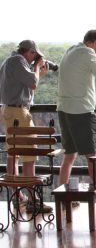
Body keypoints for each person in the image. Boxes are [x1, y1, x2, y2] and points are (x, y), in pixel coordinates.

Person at [56, 29, 96, 208]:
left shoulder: (70, 50)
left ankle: (63, 197)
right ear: (94, 42)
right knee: (93, 157)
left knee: (69, 156)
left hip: (64, 109)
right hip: (81, 110)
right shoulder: (88, 53)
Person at [0, 40, 53, 213]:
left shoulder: (9, 61)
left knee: (13, 154)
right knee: (29, 155)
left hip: (10, 111)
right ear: (29, 52)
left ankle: (17, 197)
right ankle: (32, 199)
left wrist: (38, 73)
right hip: (18, 113)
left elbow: (27, 85)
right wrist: (37, 68)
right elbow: (33, 83)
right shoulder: (18, 61)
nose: (35, 59)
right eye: (34, 56)